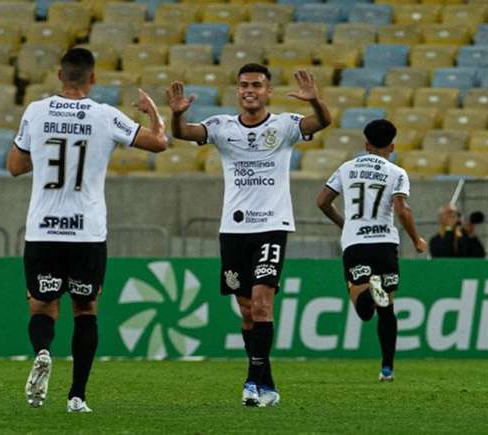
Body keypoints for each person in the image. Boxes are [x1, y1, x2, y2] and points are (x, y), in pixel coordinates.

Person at [6, 48, 167, 413]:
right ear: (92, 78)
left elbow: (14, 166)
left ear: (60, 75)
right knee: (86, 309)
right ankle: (77, 396)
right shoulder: (105, 116)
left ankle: (44, 351)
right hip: (87, 232)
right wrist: (154, 112)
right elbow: (159, 142)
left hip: (44, 229)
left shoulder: (37, 110)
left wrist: (45, 151)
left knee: (41, 306)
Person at [167, 63, 331, 407]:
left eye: (256, 85)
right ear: (238, 90)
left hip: (272, 226)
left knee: (261, 303)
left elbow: (322, 123)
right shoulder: (222, 127)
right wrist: (177, 117)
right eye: (244, 85)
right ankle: (266, 382)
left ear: (268, 90)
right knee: (245, 310)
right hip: (233, 230)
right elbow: (183, 134)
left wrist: (316, 102)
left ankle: (251, 383)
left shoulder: (283, 126)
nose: (249, 90)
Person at [316, 119, 426, 382]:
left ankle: (368, 290)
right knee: (386, 307)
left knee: (365, 312)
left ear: (366, 144)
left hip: (357, 245)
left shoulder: (346, 168)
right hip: (386, 245)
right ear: (393, 145)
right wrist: (416, 239)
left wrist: (345, 223)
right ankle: (387, 368)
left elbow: (322, 201)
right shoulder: (396, 172)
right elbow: (402, 209)